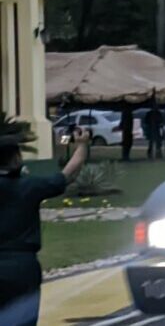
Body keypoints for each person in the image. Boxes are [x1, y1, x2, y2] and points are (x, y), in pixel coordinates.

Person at [0, 127, 90, 326]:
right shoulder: (29, 186)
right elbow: (69, 173)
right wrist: (82, 145)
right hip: (22, 267)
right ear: (16, 158)